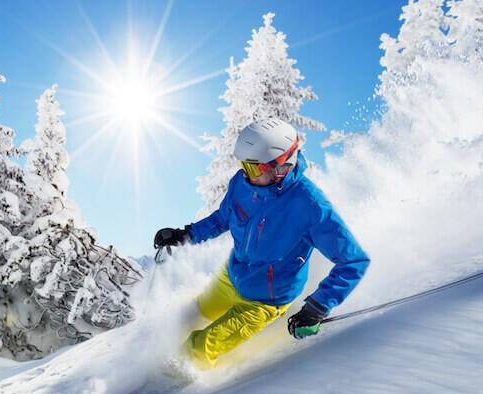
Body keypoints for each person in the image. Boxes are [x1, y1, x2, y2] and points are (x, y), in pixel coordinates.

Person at [153, 118, 370, 369]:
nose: (246, 174)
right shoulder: (243, 183)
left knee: (199, 348)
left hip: (263, 301)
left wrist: (317, 307)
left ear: (281, 166)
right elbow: (223, 217)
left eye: (253, 168)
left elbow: (354, 261)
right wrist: (186, 235)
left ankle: (164, 385)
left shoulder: (310, 206)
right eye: (243, 165)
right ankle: (153, 364)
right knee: (187, 318)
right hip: (232, 277)